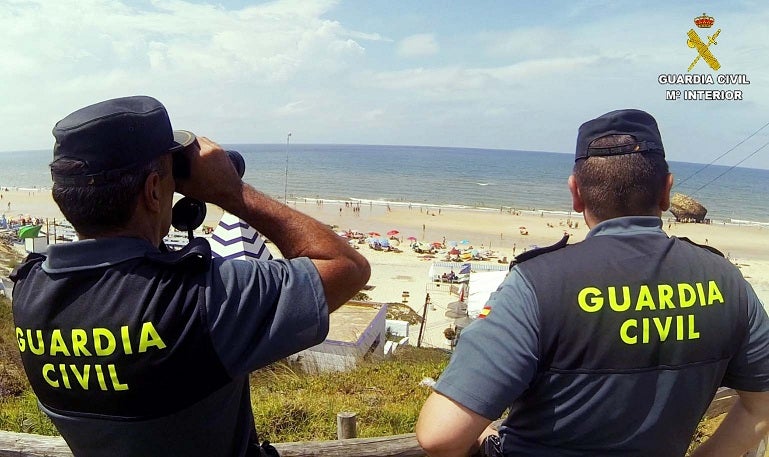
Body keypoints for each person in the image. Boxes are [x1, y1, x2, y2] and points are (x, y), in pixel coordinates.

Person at [10, 96, 370, 457]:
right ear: (153, 190)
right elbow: (347, 267)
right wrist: (231, 192)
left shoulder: (29, 291)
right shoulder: (202, 301)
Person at [416, 109, 769, 457]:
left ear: (576, 194)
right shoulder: (726, 281)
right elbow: (761, 406)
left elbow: (440, 436)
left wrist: (488, 436)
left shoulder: (539, 283)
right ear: (666, 191)